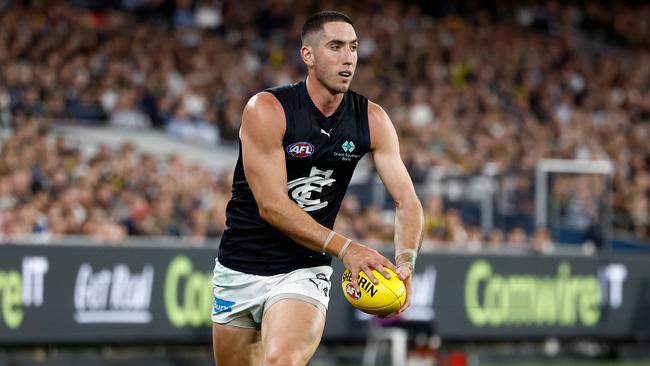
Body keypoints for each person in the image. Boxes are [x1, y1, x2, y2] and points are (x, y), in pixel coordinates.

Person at [211, 10, 424, 366]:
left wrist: (406, 261)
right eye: (336, 46)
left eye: (353, 48)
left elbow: (407, 200)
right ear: (307, 55)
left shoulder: (372, 120)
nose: (348, 58)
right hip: (240, 266)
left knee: (283, 361)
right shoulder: (267, 109)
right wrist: (348, 249)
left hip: (304, 267)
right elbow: (272, 206)